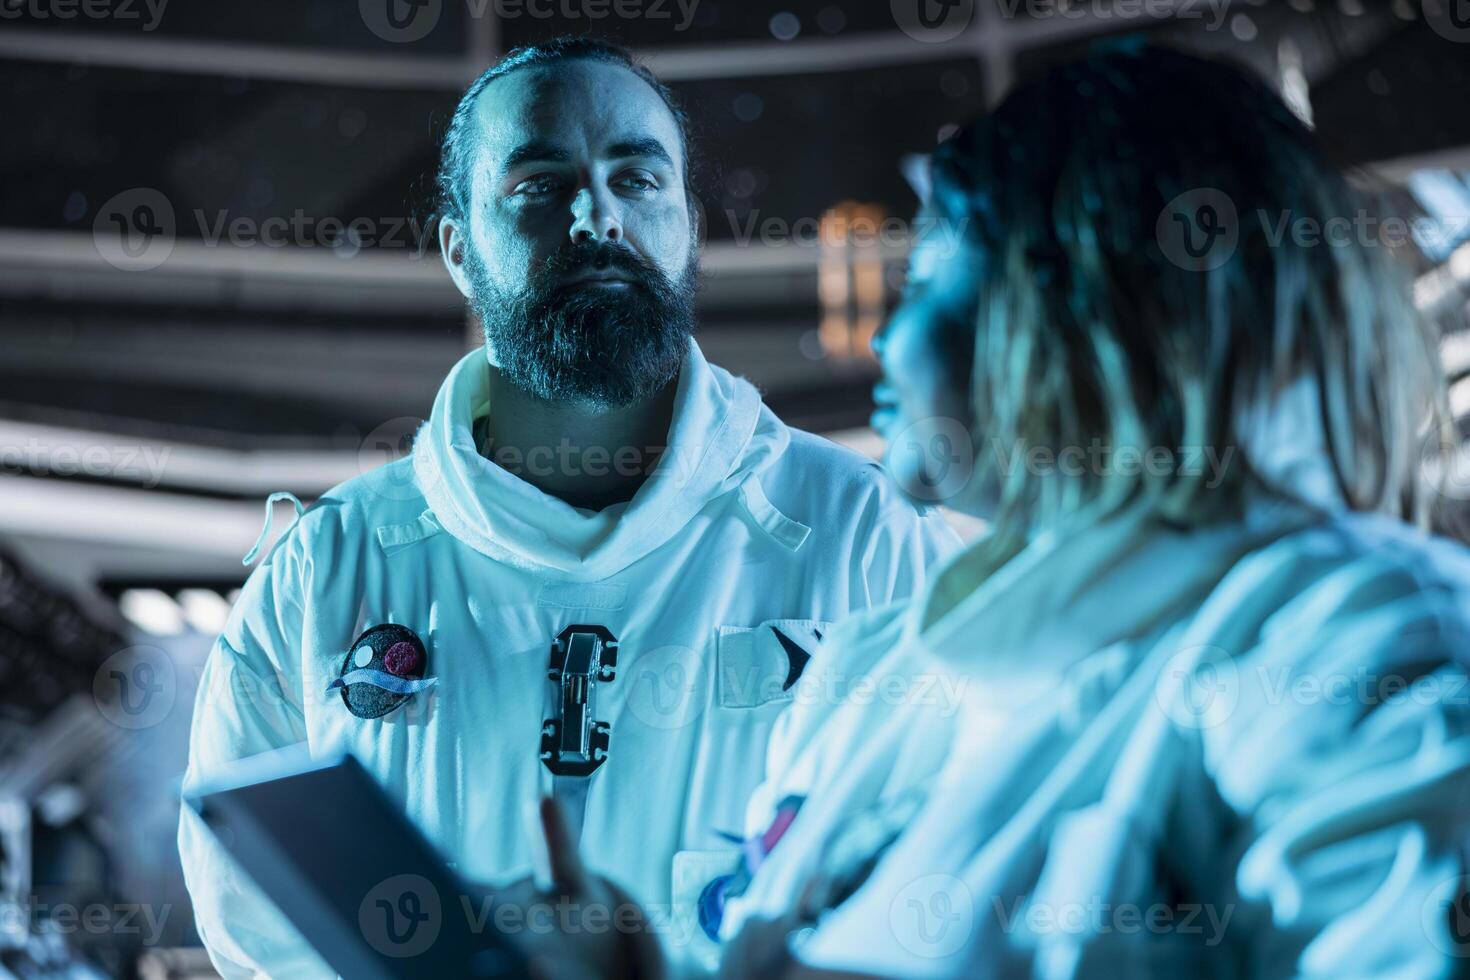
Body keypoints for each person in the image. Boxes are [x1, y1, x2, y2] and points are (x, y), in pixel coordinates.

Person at [515, 44, 1470, 978]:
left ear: (1087, 309)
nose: (885, 338)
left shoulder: (1354, 640)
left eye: (926, 281)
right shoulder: (871, 674)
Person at [177, 37, 957, 978]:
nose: (598, 217)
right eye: (542, 186)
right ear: (461, 253)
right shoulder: (324, 573)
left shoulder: (863, 539)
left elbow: (938, 907)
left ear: (689, 227)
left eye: (637, 177)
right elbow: (258, 936)